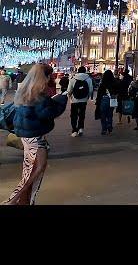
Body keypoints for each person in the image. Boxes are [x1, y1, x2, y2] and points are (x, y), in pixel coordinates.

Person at [3, 64, 67, 205]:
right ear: (43, 76)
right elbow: (47, 113)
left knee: (32, 170)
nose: (50, 78)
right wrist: (61, 100)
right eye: (49, 75)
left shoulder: (25, 90)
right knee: (36, 170)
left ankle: (23, 201)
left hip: (28, 137)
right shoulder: (38, 94)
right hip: (36, 138)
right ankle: (13, 200)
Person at [66, 66, 93, 138]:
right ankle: (80, 128)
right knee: (82, 114)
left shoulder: (73, 78)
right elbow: (90, 90)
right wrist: (87, 97)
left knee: (73, 115)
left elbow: (69, 90)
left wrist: (70, 97)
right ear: (85, 71)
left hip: (74, 100)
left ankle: (74, 130)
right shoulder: (88, 79)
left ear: (78, 71)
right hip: (84, 100)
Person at [95, 70, 119, 135]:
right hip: (112, 100)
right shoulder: (115, 82)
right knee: (110, 114)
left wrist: (97, 101)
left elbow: (99, 94)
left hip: (104, 99)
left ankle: (104, 129)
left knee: (103, 115)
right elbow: (117, 91)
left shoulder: (102, 83)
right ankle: (109, 127)